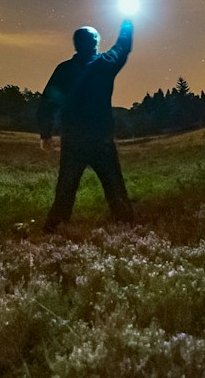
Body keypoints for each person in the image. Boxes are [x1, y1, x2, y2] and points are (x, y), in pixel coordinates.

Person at [37, 15, 135, 229]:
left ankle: (54, 231)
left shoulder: (63, 70)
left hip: (73, 141)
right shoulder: (105, 64)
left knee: (65, 189)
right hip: (101, 140)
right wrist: (127, 22)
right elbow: (123, 47)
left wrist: (45, 133)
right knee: (115, 188)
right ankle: (128, 228)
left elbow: (48, 101)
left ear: (77, 44)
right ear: (96, 43)